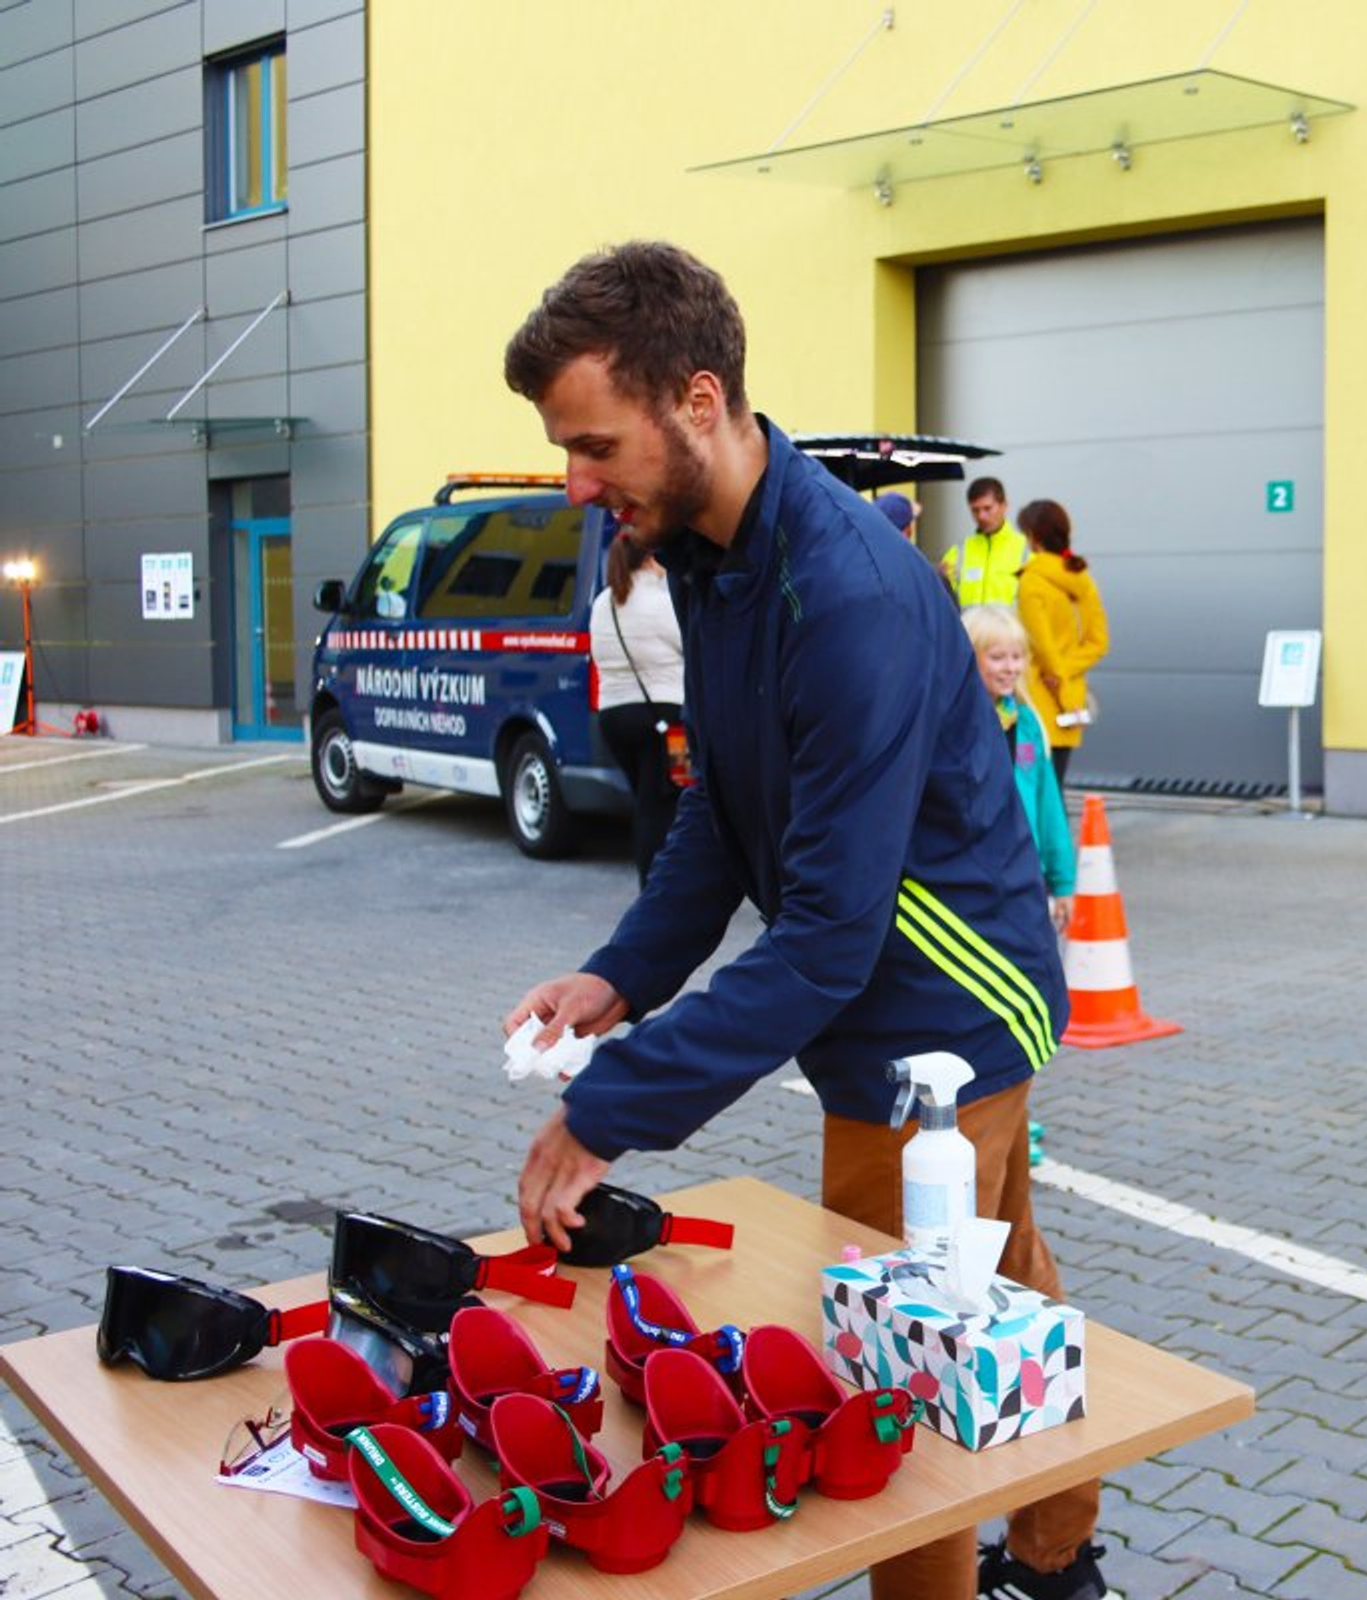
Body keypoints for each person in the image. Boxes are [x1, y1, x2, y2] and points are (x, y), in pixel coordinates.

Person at [498, 241, 1106, 1600]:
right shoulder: (710, 559)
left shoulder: (846, 593)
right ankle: (1061, 1562)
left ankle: (1017, 1568)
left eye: (594, 446)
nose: (577, 484)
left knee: (899, 1371)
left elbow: (829, 936)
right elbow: (724, 812)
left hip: (936, 1017)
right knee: (999, 1295)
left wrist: (606, 1108)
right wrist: (618, 979)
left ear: (698, 401)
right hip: (893, 996)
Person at [963, 605, 1075, 931]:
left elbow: (1047, 805)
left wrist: (1063, 882)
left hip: (1023, 876)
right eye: (997, 658)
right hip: (970, 879)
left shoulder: (1026, 723)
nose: (1011, 668)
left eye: (1018, 657)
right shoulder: (954, 726)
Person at [588, 536, 686, 885]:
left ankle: (658, 882)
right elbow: (690, 643)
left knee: (646, 801)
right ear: (648, 559)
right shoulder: (659, 602)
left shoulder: (602, 603)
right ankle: (658, 885)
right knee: (674, 798)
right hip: (667, 720)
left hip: (613, 718)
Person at [1014, 498, 1110, 784]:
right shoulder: (1081, 577)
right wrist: (1067, 682)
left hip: (1037, 702)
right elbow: (1099, 642)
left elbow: (1042, 646)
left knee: (1032, 791)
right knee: (1056, 789)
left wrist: (1057, 677)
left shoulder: (1031, 581)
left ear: (1033, 536)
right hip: (1071, 706)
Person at [941, 476, 1027, 605]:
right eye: (975, 510)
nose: (981, 516)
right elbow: (942, 598)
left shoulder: (1026, 550)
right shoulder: (958, 552)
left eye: (987, 508)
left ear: (1004, 506)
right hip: (968, 619)